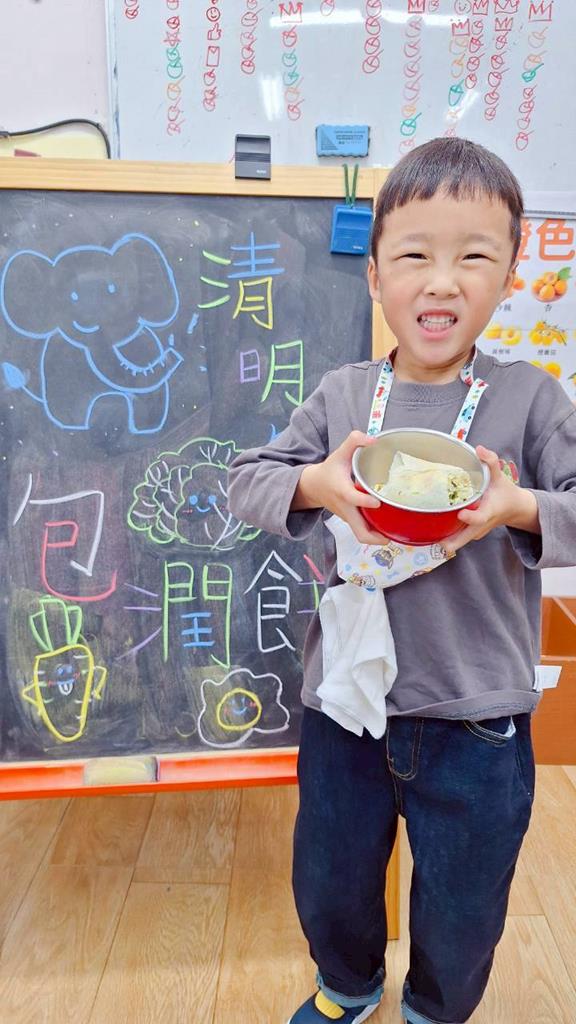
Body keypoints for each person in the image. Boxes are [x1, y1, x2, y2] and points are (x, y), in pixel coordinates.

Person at [227, 137, 576, 1024]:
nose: (442, 282)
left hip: (477, 716)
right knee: (331, 877)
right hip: (346, 706)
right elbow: (246, 481)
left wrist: (518, 506)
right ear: (375, 275)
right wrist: (316, 484)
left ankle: (433, 1009)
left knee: (465, 901)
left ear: (510, 275)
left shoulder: (531, 399)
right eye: (415, 255)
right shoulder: (345, 395)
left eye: (474, 258)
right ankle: (347, 985)